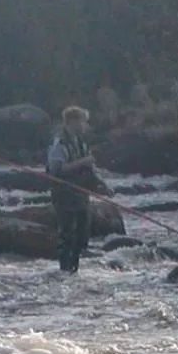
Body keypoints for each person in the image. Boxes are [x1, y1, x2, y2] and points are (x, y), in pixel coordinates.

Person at [46, 105, 103, 273]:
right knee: (67, 235)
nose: (85, 125)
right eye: (82, 122)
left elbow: (90, 170)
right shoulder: (59, 143)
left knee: (81, 236)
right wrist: (83, 162)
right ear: (72, 122)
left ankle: (74, 270)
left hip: (81, 194)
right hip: (64, 195)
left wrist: (103, 185)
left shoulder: (81, 142)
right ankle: (64, 270)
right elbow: (58, 169)